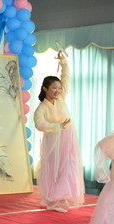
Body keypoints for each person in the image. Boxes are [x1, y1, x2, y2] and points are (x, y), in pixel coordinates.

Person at [33, 52, 84, 212]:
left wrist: (63, 61)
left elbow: (66, 77)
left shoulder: (61, 98)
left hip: (68, 137)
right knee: (53, 168)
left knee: (68, 166)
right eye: (54, 88)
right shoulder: (42, 107)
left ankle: (62, 196)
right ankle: (51, 200)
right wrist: (58, 127)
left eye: (59, 88)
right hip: (53, 140)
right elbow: (39, 124)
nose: (57, 90)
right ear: (45, 89)